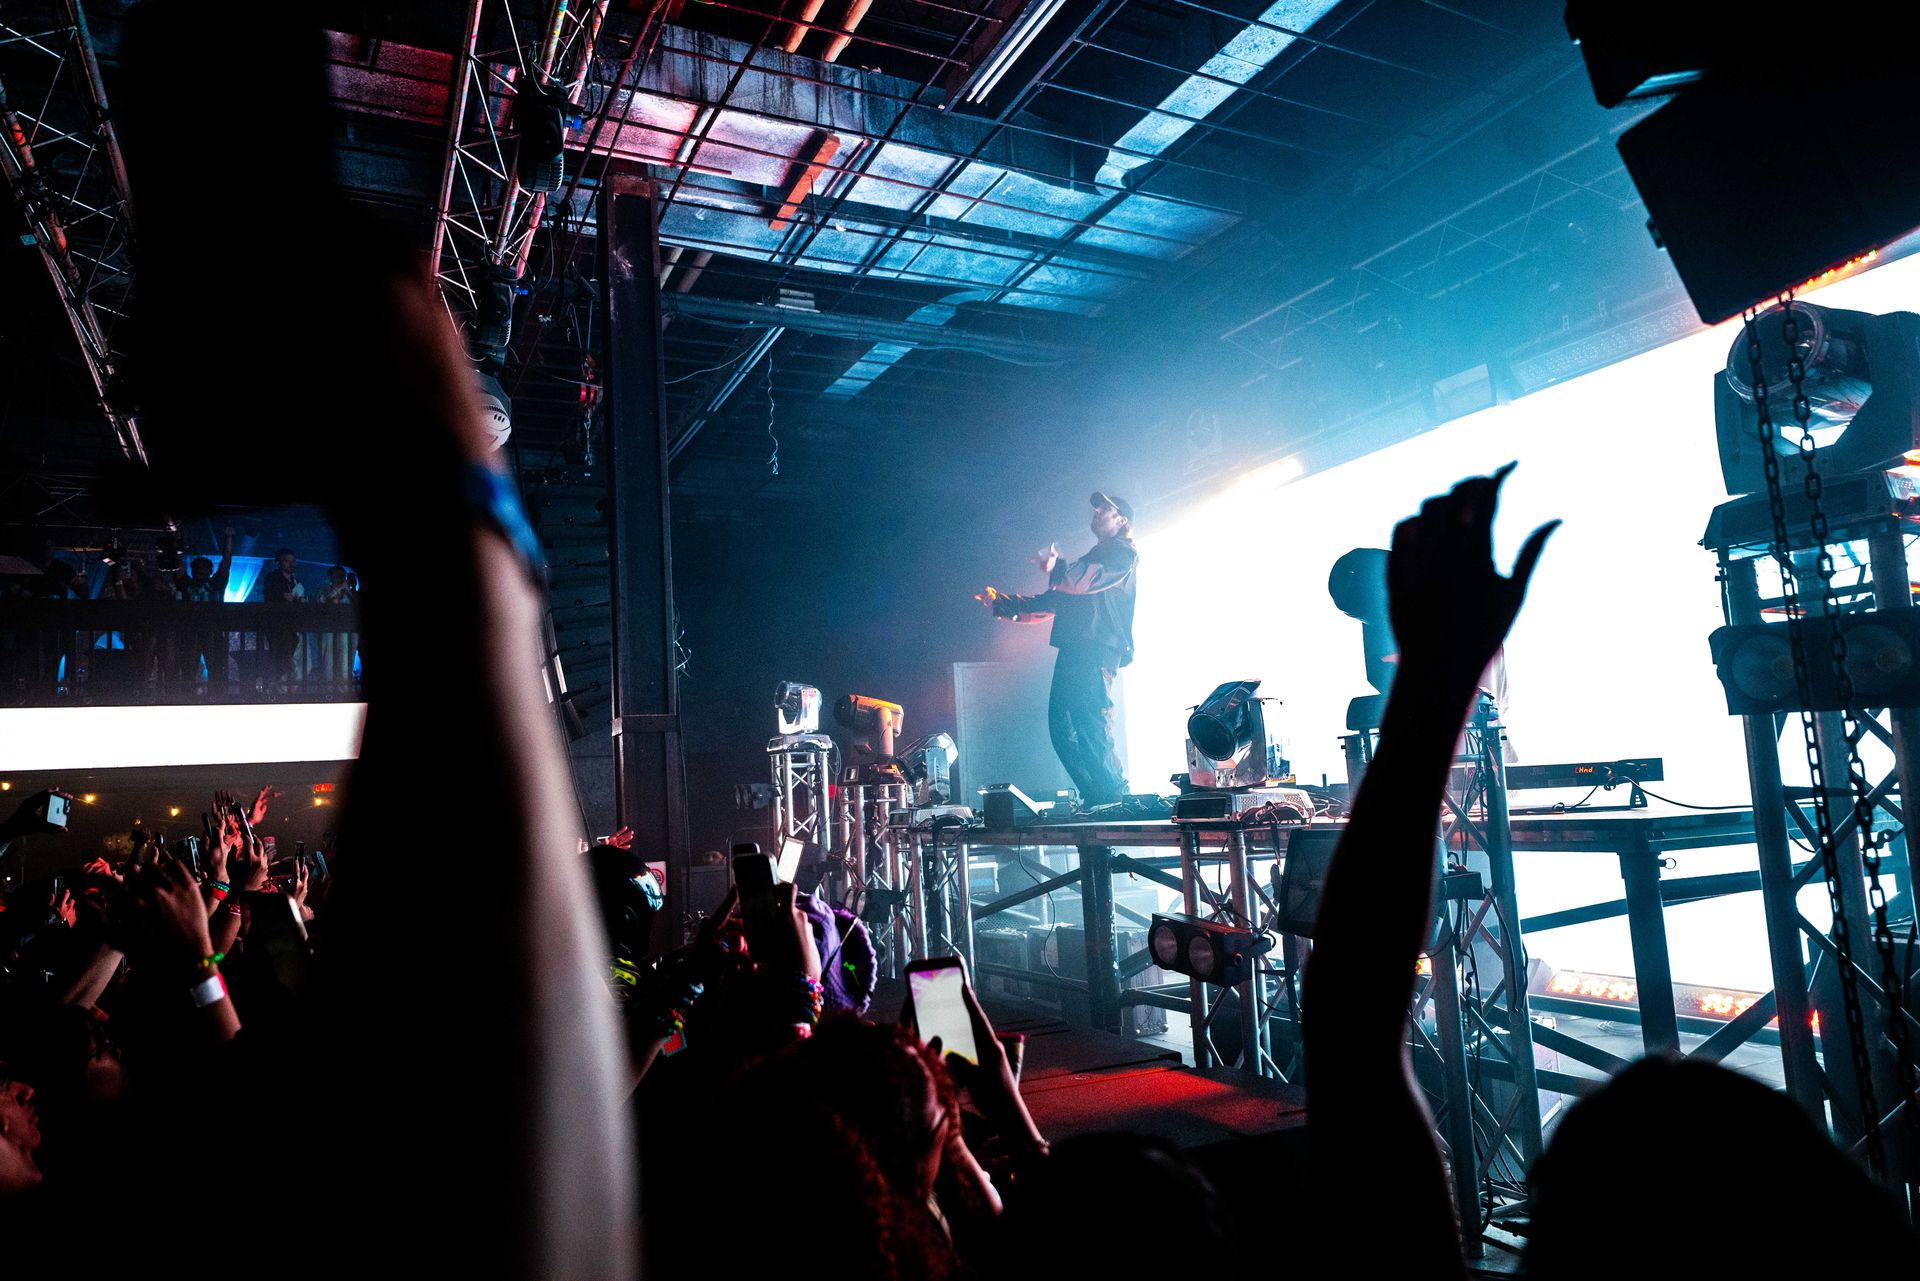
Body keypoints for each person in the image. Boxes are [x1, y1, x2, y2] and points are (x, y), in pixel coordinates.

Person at [980, 491, 1139, 807]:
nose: (1096, 513)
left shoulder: (1123, 554)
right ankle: (1097, 795)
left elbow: (1080, 582)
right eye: (1094, 508)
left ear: (1122, 520)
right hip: (1075, 649)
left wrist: (1055, 567)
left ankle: (1115, 795)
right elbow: (1050, 602)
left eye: (1104, 509)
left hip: (1096, 650)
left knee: (1091, 722)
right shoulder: (1088, 561)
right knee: (1062, 726)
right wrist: (1001, 603)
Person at [258, 547, 305, 683]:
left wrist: (297, 600)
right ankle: (277, 687)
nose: (291, 564)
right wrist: (285, 597)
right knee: (280, 657)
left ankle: (284, 686)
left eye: (293, 561)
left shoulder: (294, 581)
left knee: (289, 657)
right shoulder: (273, 578)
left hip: (292, 626)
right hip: (276, 625)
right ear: (278, 563)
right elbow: (270, 596)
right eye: (287, 561)